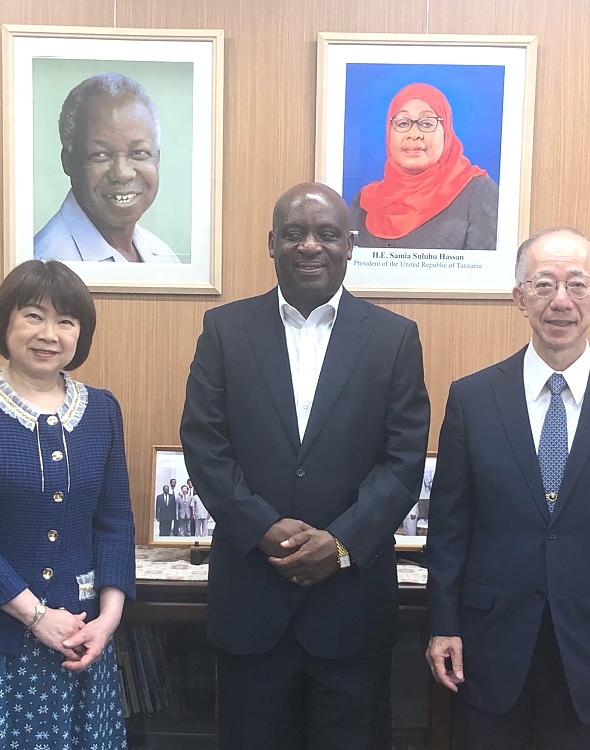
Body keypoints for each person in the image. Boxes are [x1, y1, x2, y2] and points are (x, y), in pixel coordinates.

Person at [180, 182, 430, 749]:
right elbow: (204, 445)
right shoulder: (225, 330)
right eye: (294, 234)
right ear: (272, 243)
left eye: (326, 234)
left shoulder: (394, 339)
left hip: (351, 608)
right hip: (252, 601)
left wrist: (340, 543)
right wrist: (262, 528)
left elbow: (402, 461)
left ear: (351, 244)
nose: (309, 246)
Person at [424, 228, 590, 749]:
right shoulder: (472, 399)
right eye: (544, 285)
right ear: (520, 298)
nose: (561, 301)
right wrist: (442, 624)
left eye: (577, 284)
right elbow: (449, 529)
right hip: (487, 645)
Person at [0, 259, 136, 750]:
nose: (49, 334)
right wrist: (38, 617)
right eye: (33, 315)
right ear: (5, 323)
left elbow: (115, 522)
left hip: (81, 640)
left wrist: (109, 619)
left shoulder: (102, 410)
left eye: (66, 321)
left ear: (81, 333)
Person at [34, 72, 180, 264]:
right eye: (100, 155)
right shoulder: (48, 266)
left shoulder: (163, 257)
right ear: (68, 162)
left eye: (138, 153)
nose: (122, 173)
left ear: (157, 159)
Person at [350, 82, 498, 251]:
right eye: (403, 123)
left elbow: (484, 273)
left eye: (427, 124)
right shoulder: (364, 203)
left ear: (447, 132)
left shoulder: (478, 193)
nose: (413, 135)